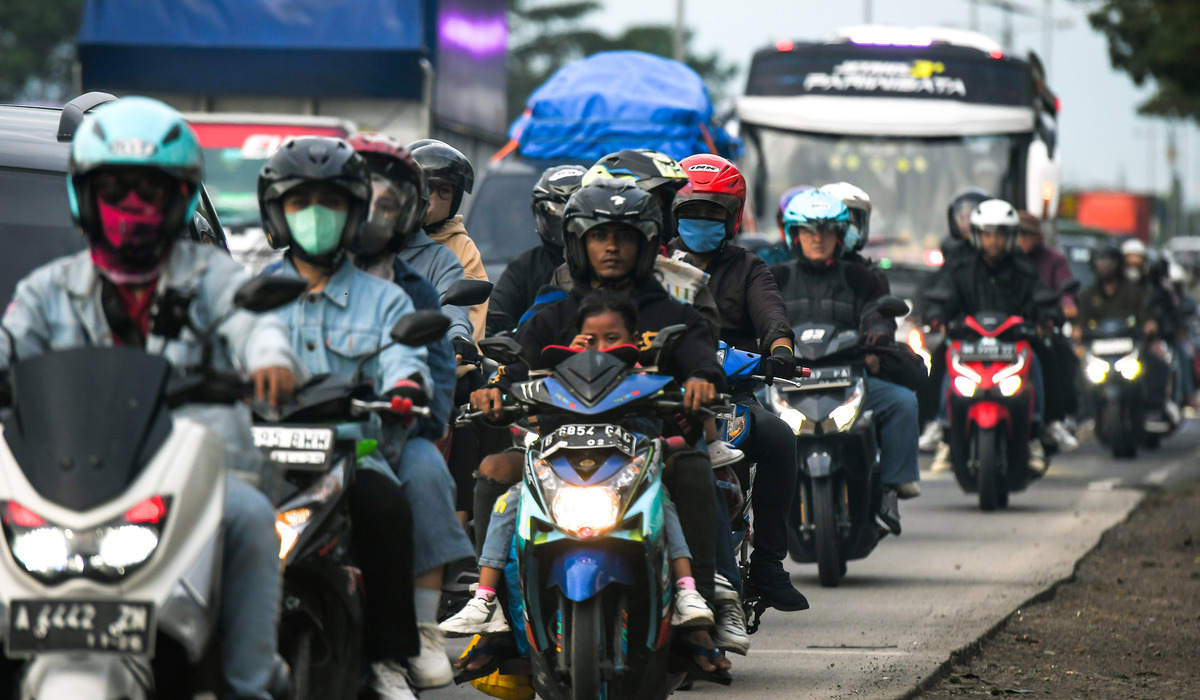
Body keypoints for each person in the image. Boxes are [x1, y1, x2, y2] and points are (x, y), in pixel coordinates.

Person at [0, 97, 298, 700]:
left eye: (150, 192)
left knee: (246, 519)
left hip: (190, 464)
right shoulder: (46, 289)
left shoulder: (212, 278)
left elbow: (255, 324)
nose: (132, 208)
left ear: (179, 201)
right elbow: (10, 345)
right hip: (64, 466)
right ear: (85, 198)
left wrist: (271, 360)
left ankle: (248, 683)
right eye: (117, 190)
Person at [469, 179, 730, 661]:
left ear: (647, 244)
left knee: (694, 470)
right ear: (577, 242)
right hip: (556, 453)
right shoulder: (553, 310)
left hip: (646, 451)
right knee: (492, 474)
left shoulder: (674, 312)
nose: (612, 247)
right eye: (598, 236)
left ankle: (697, 620)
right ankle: (499, 621)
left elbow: (702, 359)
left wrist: (700, 382)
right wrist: (493, 391)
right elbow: (516, 367)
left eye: (625, 237)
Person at [258, 136, 472, 694]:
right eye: (303, 204)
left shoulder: (396, 298)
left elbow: (413, 360)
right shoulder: (257, 290)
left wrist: (406, 388)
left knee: (389, 505)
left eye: (331, 204)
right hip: (263, 454)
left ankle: (394, 646)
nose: (317, 218)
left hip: (364, 447)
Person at [441, 291, 717, 668]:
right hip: (557, 474)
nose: (600, 348)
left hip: (630, 477)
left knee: (664, 500)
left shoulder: (647, 381)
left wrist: (691, 401)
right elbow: (511, 386)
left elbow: (692, 413)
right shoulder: (554, 375)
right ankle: (488, 603)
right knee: (508, 500)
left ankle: (688, 594)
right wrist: (498, 394)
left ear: (635, 342)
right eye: (591, 339)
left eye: (613, 339)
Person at [667, 154, 809, 613]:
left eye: (712, 213)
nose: (700, 221)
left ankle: (768, 564)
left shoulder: (749, 267)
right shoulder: (657, 261)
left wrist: (781, 349)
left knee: (781, 438)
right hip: (661, 394)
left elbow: (771, 313)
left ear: (732, 219)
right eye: (691, 211)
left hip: (732, 397)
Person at [772, 190, 921, 534]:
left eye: (826, 231)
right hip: (789, 379)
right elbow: (760, 317)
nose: (818, 238)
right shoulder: (775, 277)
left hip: (851, 375)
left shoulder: (860, 276)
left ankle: (889, 489)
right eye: (809, 231)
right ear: (794, 235)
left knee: (902, 402)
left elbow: (878, 314)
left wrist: (876, 338)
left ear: (840, 235)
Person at [924, 199, 1053, 474]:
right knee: (943, 360)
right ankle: (943, 431)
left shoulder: (1023, 268)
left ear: (1011, 237)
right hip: (968, 344)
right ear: (976, 235)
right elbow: (942, 294)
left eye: (1000, 234)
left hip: (1013, 345)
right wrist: (937, 315)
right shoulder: (961, 267)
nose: (994, 241)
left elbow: (1041, 296)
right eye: (988, 233)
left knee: (1039, 362)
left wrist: (1046, 316)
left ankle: (1035, 435)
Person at [486, 164, 587, 335]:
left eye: (575, 216)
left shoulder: (603, 265)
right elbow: (495, 313)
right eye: (556, 213)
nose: (566, 228)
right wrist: (490, 330)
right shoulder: (524, 267)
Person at [410, 139, 489, 342]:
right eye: (426, 187)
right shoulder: (384, 239)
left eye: (444, 191)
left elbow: (462, 318)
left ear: (455, 200)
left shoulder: (460, 249)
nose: (431, 200)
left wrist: (458, 340)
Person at [1016, 211, 1080, 451]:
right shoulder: (1006, 260)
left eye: (1027, 234)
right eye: (1017, 234)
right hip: (999, 330)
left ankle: (1056, 419)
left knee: (1058, 357)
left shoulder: (1053, 260)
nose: (1021, 239)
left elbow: (1059, 292)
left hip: (1039, 327)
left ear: (1039, 237)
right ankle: (943, 424)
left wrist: (1064, 305)